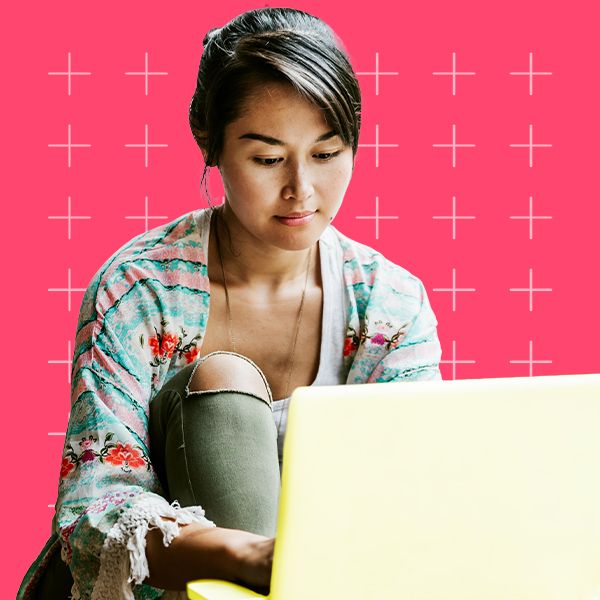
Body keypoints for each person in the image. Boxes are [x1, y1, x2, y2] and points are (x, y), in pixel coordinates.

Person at [18, 7, 442, 599]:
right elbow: (93, 512)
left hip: (328, 585)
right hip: (153, 591)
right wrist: (252, 555)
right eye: (268, 158)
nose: (302, 189)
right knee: (223, 379)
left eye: (327, 153)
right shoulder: (140, 290)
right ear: (210, 144)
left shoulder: (390, 304)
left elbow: (411, 485)